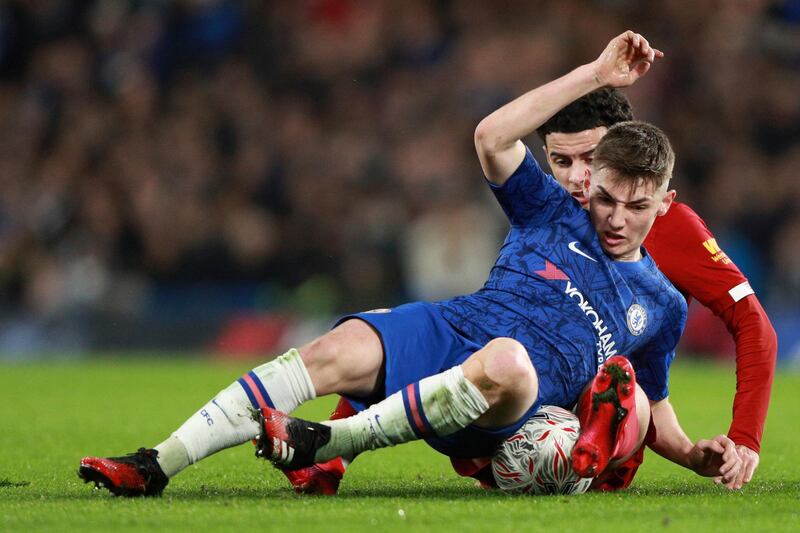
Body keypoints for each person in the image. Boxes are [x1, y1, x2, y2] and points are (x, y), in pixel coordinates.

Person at [78, 32, 740, 497]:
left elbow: (657, 404)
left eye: (634, 202)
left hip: (512, 404)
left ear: (664, 204)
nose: (615, 211)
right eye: (603, 191)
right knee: (335, 348)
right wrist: (596, 74)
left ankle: (327, 445)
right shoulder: (553, 209)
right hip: (454, 332)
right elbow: (490, 136)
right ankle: (155, 464)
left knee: (512, 361)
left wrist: (695, 454)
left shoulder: (663, 303)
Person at [285, 30, 778, 494]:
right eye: (561, 162)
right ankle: (332, 451)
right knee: (420, 336)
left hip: (583, 425)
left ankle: (592, 439)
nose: (578, 178)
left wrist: (744, 440)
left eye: (591, 157)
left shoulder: (673, 228)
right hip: (516, 416)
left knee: (626, 388)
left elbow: (752, 322)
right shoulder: (549, 213)